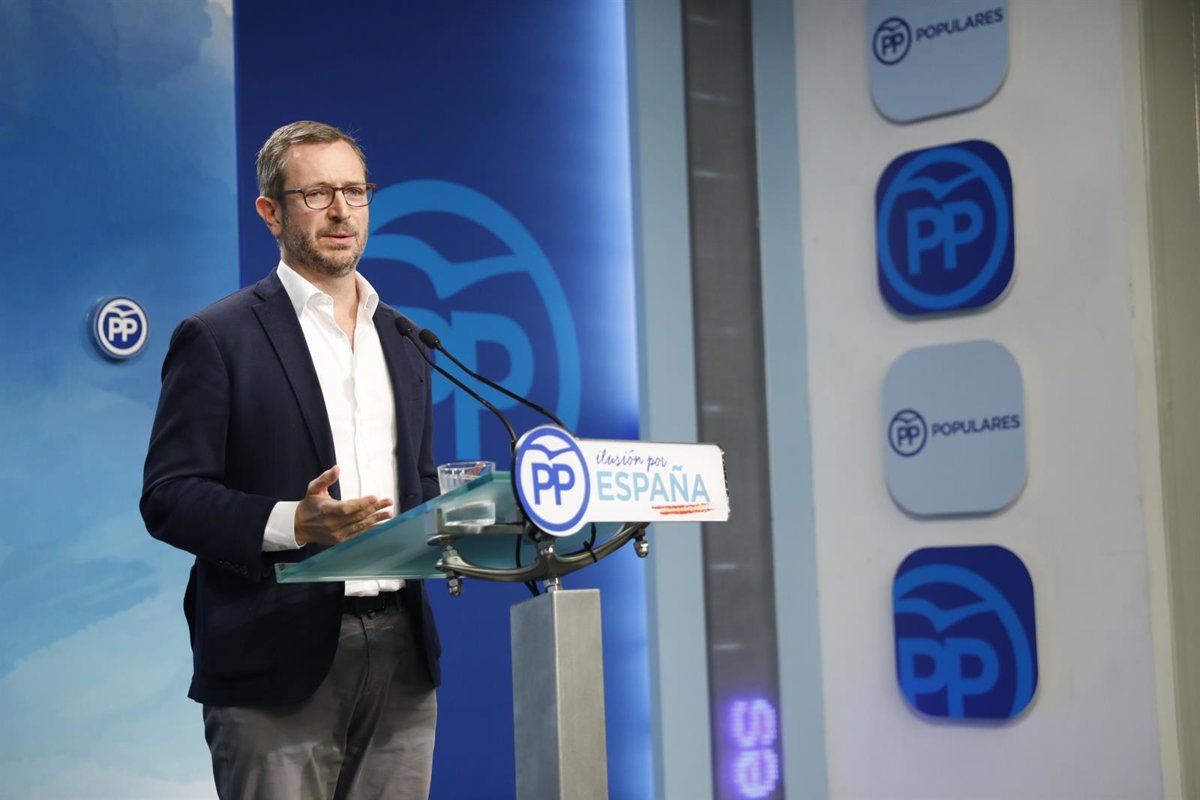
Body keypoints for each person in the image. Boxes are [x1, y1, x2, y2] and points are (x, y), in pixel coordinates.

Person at [141, 120, 441, 800]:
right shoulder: (218, 336)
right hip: (271, 652)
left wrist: (458, 529)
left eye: (355, 191)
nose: (341, 211)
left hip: (403, 656)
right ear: (270, 213)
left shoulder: (404, 338)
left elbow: (419, 481)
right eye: (317, 194)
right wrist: (292, 523)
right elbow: (169, 496)